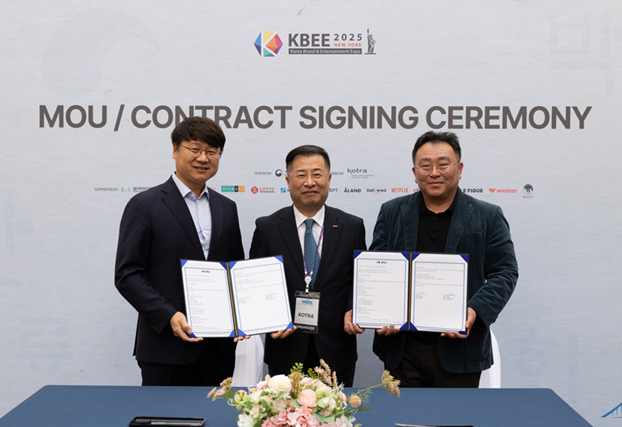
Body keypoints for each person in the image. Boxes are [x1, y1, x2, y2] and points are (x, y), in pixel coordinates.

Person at [371, 131, 518, 388]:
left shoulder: (488, 216)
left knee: (456, 412)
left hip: (460, 349)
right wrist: (379, 312)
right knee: (402, 412)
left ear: (459, 169)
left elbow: (504, 273)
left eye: (443, 164)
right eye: (425, 165)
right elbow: (377, 269)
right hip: (402, 348)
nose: (434, 173)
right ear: (415, 172)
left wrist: (474, 310)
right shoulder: (392, 211)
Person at [115, 117, 245, 386]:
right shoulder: (145, 205)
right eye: (194, 149)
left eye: (211, 152)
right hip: (167, 347)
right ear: (175, 150)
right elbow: (127, 275)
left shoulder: (227, 207)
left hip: (219, 349)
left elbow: (236, 271)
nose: (203, 158)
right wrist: (169, 315)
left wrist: (244, 316)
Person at [249, 145, 366, 387]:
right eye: (301, 175)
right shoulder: (267, 228)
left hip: (336, 348)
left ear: (329, 179)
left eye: (317, 174)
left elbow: (360, 281)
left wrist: (354, 308)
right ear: (288, 180)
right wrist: (269, 320)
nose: (310, 182)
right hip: (285, 347)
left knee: (337, 412)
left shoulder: (351, 227)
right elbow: (256, 285)